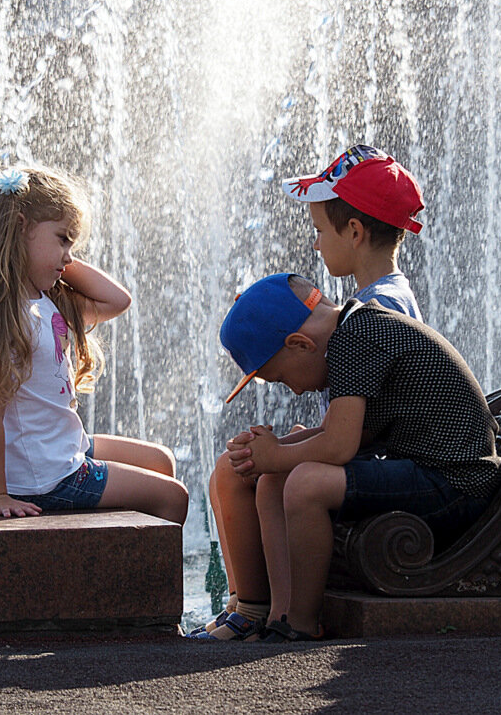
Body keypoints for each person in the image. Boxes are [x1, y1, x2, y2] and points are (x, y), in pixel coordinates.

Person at [195, 146, 426, 640]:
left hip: (402, 464)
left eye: (321, 231)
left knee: (276, 473)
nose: (316, 245)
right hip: (382, 453)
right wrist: (299, 441)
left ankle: (275, 615)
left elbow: (359, 437)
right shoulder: (368, 306)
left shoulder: (374, 315)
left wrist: (287, 450)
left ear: (355, 232)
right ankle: (250, 606)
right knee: (240, 467)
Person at [220, 273, 501, 641]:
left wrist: (276, 454)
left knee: (305, 484)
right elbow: (349, 432)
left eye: (283, 379)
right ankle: (279, 616)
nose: (297, 390)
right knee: (277, 478)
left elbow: (339, 445)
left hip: (455, 482)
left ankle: (300, 625)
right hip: (426, 471)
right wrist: (276, 452)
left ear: (301, 344)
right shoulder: (355, 329)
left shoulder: (356, 338)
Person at [0, 166, 188, 525]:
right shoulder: (3, 321)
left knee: (161, 461)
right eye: (63, 239)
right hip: (48, 478)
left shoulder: (47, 300)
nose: (69, 255)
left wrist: (57, 256)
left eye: (73, 243)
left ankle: (115, 556)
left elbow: (117, 301)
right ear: (21, 229)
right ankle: (144, 581)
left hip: (63, 448)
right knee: (172, 496)